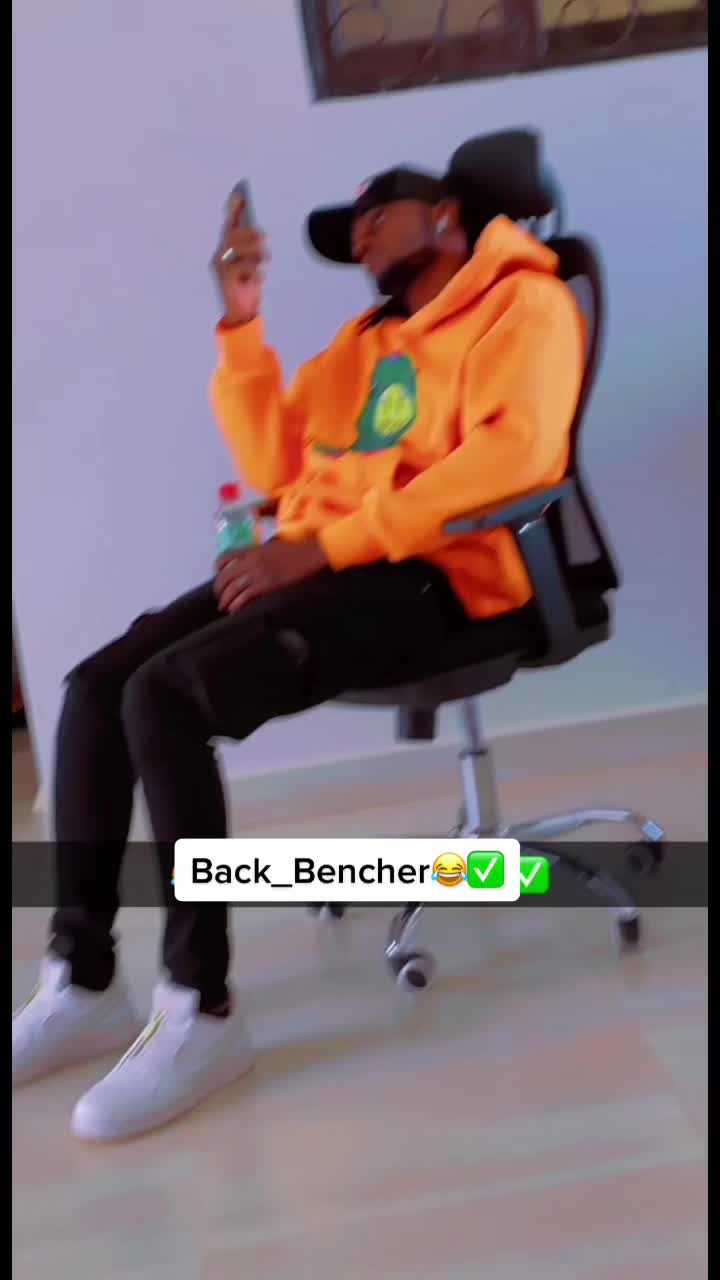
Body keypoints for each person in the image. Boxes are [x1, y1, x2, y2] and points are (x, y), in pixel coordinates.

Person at [12, 141, 584, 1141]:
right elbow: (278, 466)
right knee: (97, 685)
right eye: (348, 230)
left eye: (377, 215)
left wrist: (325, 547)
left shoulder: (524, 303)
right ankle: (84, 979)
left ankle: (202, 1011)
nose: (359, 237)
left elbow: (515, 460)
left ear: (446, 215)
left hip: (443, 578)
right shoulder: (365, 344)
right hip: (329, 561)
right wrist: (242, 323)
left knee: (167, 696)